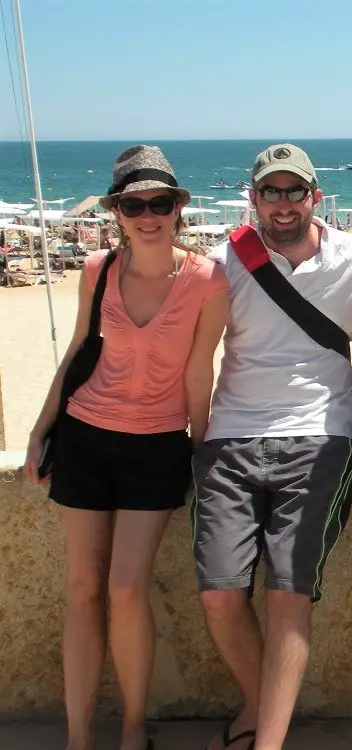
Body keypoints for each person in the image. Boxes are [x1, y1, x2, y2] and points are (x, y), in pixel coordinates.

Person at [24, 145, 229, 750]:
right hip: (86, 437)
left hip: (157, 447)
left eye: (159, 203)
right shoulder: (96, 269)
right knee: (83, 587)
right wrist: (40, 431)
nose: (148, 215)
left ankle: (133, 730)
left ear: (177, 208)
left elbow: (200, 373)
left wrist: (201, 449)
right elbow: (79, 353)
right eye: (134, 203)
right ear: (116, 211)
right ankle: (78, 736)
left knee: (124, 587)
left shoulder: (207, 279)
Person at [192, 144, 352, 750]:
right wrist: (199, 442)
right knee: (221, 595)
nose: (283, 204)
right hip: (231, 437)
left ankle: (268, 739)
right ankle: (263, 703)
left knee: (288, 592)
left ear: (315, 197)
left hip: (320, 437)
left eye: (294, 191)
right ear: (252, 198)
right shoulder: (223, 263)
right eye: (270, 192)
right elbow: (197, 360)